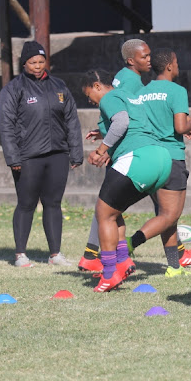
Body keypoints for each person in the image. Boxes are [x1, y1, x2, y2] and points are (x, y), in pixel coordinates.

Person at [82, 71, 176, 292]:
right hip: (161, 158)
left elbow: (121, 122)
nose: (91, 101)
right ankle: (123, 260)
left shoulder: (109, 98)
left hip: (139, 158)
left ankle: (108, 273)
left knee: (103, 214)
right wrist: (103, 133)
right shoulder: (129, 95)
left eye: (89, 96)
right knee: (114, 211)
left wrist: (101, 149)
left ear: (97, 86)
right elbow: (132, 123)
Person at [0, 41, 84, 268]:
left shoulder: (59, 86)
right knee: (26, 203)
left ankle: (55, 254)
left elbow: (71, 121)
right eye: (32, 62)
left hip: (57, 155)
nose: (37, 66)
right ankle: (20, 255)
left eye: (41, 61)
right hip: (27, 156)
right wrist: (13, 157)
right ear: (24, 64)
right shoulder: (14, 89)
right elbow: (6, 125)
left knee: (53, 203)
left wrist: (76, 151)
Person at [78, 38, 152, 272]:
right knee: (112, 209)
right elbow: (122, 118)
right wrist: (106, 144)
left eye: (149, 55)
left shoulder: (119, 83)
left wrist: (104, 141)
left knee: (109, 209)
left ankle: (106, 262)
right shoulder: (126, 83)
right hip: (143, 153)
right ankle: (114, 260)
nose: (149, 60)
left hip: (135, 154)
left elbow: (120, 118)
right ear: (131, 60)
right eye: (145, 56)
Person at [134, 47, 191, 276]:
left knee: (166, 214)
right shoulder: (177, 91)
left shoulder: (142, 92)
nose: (177, 66)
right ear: (168, 66)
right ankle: (128, 244)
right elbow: (179, 126)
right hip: (171, 158)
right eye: (176, 63)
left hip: (148, 159)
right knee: (170, 216)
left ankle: (174, 266)